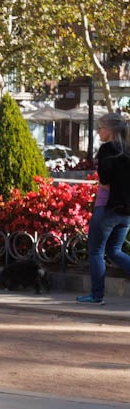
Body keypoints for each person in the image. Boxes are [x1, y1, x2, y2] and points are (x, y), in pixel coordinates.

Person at [79, 113, 130, 305]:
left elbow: (105, 180)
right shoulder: (127, 150)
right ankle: (96, 294)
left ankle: (96, 295)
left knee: (96, 251)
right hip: (126, 212)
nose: (98, 132)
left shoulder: (107, 150)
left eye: (100, 128)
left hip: (106, 207)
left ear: (109, 131)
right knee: (115, 251)